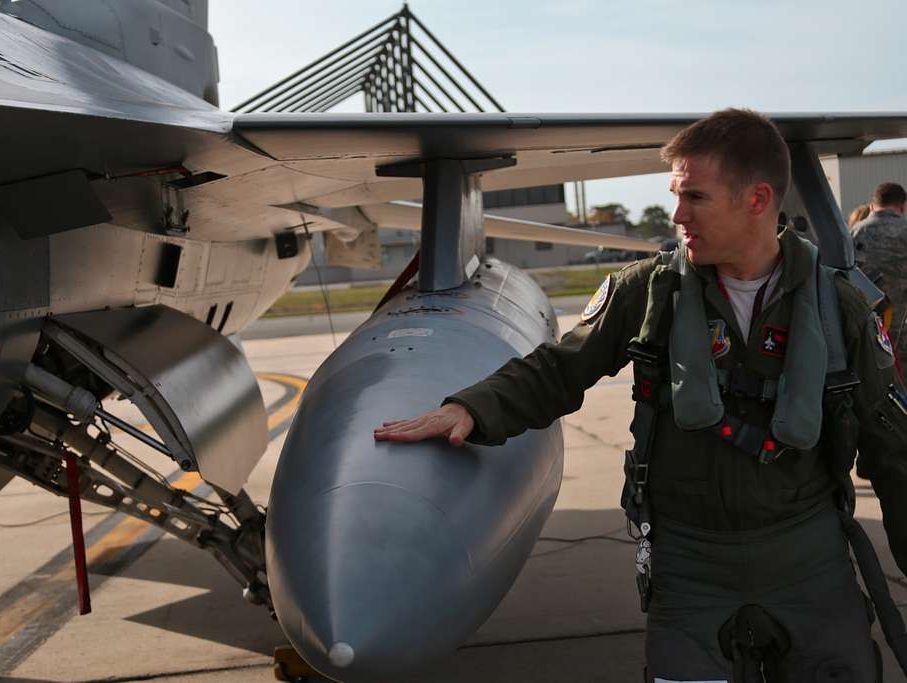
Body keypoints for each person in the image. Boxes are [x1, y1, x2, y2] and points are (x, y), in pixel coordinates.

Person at [375, 109, 907, 681]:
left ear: (756, 200)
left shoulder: (840, 309)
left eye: (695, 198)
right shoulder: (648, 292)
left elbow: (894, 453)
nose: (677, 216)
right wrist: (470, 408)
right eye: (675, 196)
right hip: (690, 569)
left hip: (809, 562)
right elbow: (557, 368)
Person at [853, 182, 907, 360]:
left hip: (866, 331)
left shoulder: (855, 232)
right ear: (903, 206)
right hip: (903, 332)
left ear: (872, 205)